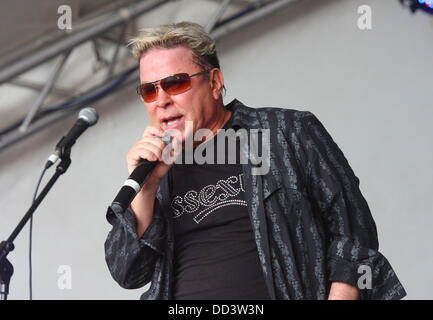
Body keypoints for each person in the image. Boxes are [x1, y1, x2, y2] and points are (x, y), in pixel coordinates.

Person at [104, 22, 406, 300]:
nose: (161, 100)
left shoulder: (286, 131)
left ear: (214, 82)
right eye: (149, 90)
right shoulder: (156, 171)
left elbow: (353, 228)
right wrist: (146, 189)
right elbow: (128, 273)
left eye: (175, 83)